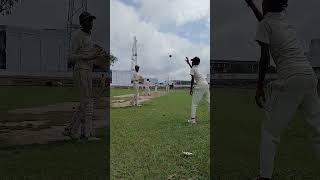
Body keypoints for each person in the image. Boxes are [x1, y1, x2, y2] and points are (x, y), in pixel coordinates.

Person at [246, 0, 320, 179]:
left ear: (269, 5)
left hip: (290, 78)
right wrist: (252, 5)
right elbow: (264, 21)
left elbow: (264, 57)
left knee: (270, 132)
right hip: (309, 76)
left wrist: (259, 87)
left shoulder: (266, 24)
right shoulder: (283, 22)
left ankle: (264, 177)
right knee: (316, 130)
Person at [62, 11, 100, 141]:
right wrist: (88, 56)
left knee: (87, 103)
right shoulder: (77, 35)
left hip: (88, 71)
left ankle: (78, 131)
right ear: (82, 22)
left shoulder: (88, 36)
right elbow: (71, 57)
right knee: (87, 103)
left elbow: (89, 54)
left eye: (92, 21)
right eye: (88, 21)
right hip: (80, 70)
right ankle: (81, 133)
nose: (91, 23)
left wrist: (96, 57)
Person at [188, 57, 210, 124]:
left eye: (192, 61)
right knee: (209, 102)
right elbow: (192, 68)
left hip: (200, 85)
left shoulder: (193, 68)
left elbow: (192, 80)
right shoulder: (197, 68)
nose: (192, 62)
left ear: (194, 62)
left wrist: (191, 89)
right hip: (206, 84)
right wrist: (188, 62)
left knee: (194, 103)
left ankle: (193, 120)